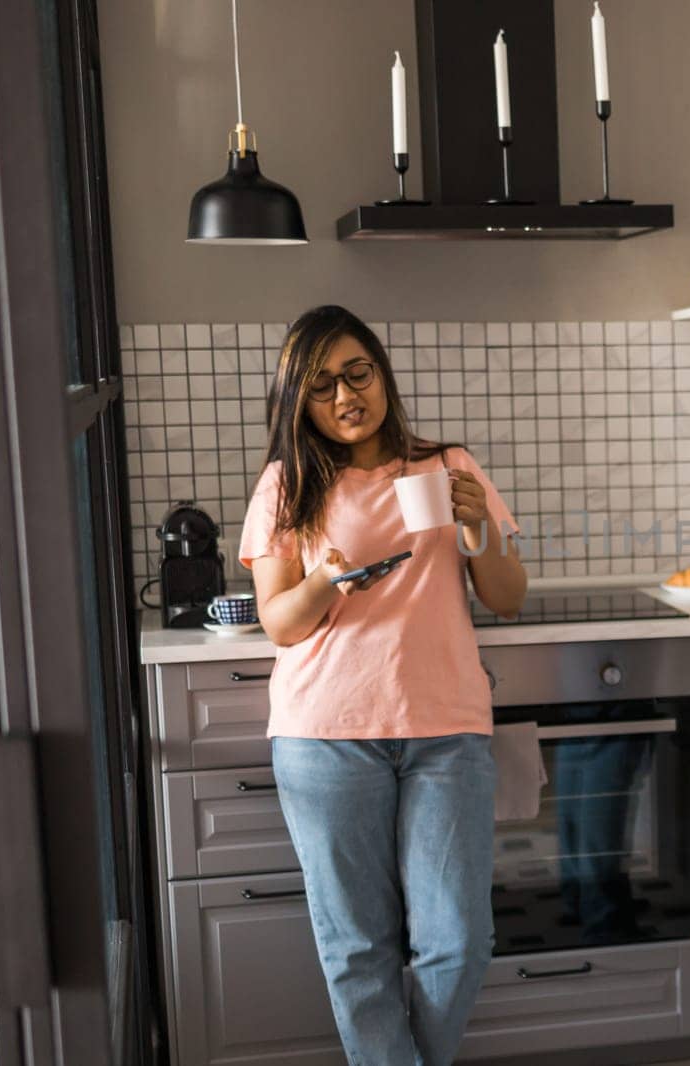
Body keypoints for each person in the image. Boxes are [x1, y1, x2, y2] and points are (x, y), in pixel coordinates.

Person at [240, 304, 527, 1064]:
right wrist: (326, 581)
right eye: (321, 385)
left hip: (445, 728)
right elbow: (280, 623)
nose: (344, 396)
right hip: (325, 734)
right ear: (299, 401)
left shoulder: (449, 465)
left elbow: (506, 596)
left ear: (382, 371)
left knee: (459, 943)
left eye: (356, 372)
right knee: (357, 949)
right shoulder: (286, 485)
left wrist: (477, 532)